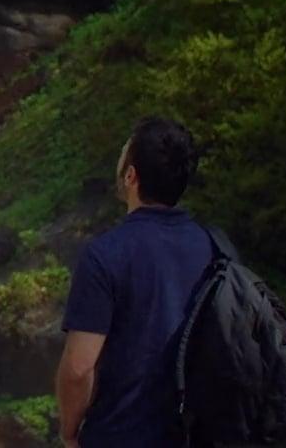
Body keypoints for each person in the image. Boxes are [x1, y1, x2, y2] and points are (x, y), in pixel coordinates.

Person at [55, 117, 212, 448]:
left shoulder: (106, 254)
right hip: (193, 435)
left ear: (130, 176)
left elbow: (79, 368)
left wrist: (69, 431)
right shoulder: (214, 249)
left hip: (119, 435)